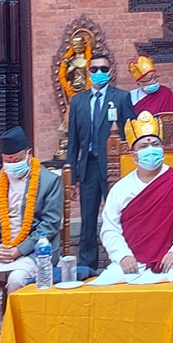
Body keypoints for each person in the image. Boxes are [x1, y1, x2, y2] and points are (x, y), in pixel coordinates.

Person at [0, 127, 64, 343]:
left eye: (16, 159)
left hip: (34, 250)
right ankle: (1, 336)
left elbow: (50, 224)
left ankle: (17, 336)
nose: (11, 164)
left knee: (17, 280)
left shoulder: (49, 181)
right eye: (7, 160)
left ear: (28, 153)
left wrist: (20, 250)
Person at [95, 112, 173, 283]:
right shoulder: (121, 188)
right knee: (107, 281)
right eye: (144, 146)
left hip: (169, 261)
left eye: (155, 144)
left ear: (162, 150)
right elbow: (110, 227)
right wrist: (123, 256)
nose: (151, 150)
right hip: (131, 261)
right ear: (134, 155)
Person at [66, 54, 135, 269]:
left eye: (103, 69)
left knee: (119, 215)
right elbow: (73, 142)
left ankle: (124, 262)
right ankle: (88, 266)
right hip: (88, 167)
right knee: (87, 219)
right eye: (94, 69)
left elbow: (131, 134)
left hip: (114, 167)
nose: (99, 73)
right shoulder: (78, 101)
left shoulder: (121, 98)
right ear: (88, 72)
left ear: (110, 72)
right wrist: (72, 177)